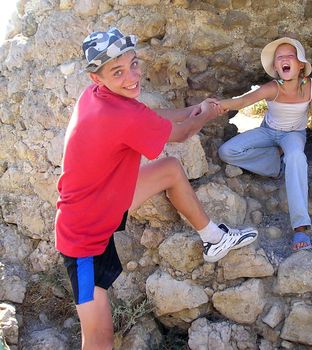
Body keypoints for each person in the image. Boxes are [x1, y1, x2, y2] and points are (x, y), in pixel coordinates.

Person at [55, 28, 257, 350]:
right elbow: (181, 134)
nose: (132, 76)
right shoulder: (116, 113)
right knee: (98, 340)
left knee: (170, 170)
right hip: (82, 237)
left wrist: (191, 111)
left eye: (134, 64)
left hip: (105, 202)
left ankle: (214, 239)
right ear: (97, 78)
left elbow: (147, 117)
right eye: (118, 72)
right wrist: (203, 115)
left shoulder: (99, 96)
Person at [217, 37, 312, 251]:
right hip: (268, 131)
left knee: (296, 157)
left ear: (300, 64)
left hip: (294, 135)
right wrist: (218, 104)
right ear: (276, 67)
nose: (284, 60)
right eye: (279, 58)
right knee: (227, 151)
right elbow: (242, 101)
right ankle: (276, 166)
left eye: (290, 56)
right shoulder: (272, 87)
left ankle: (300, 229)